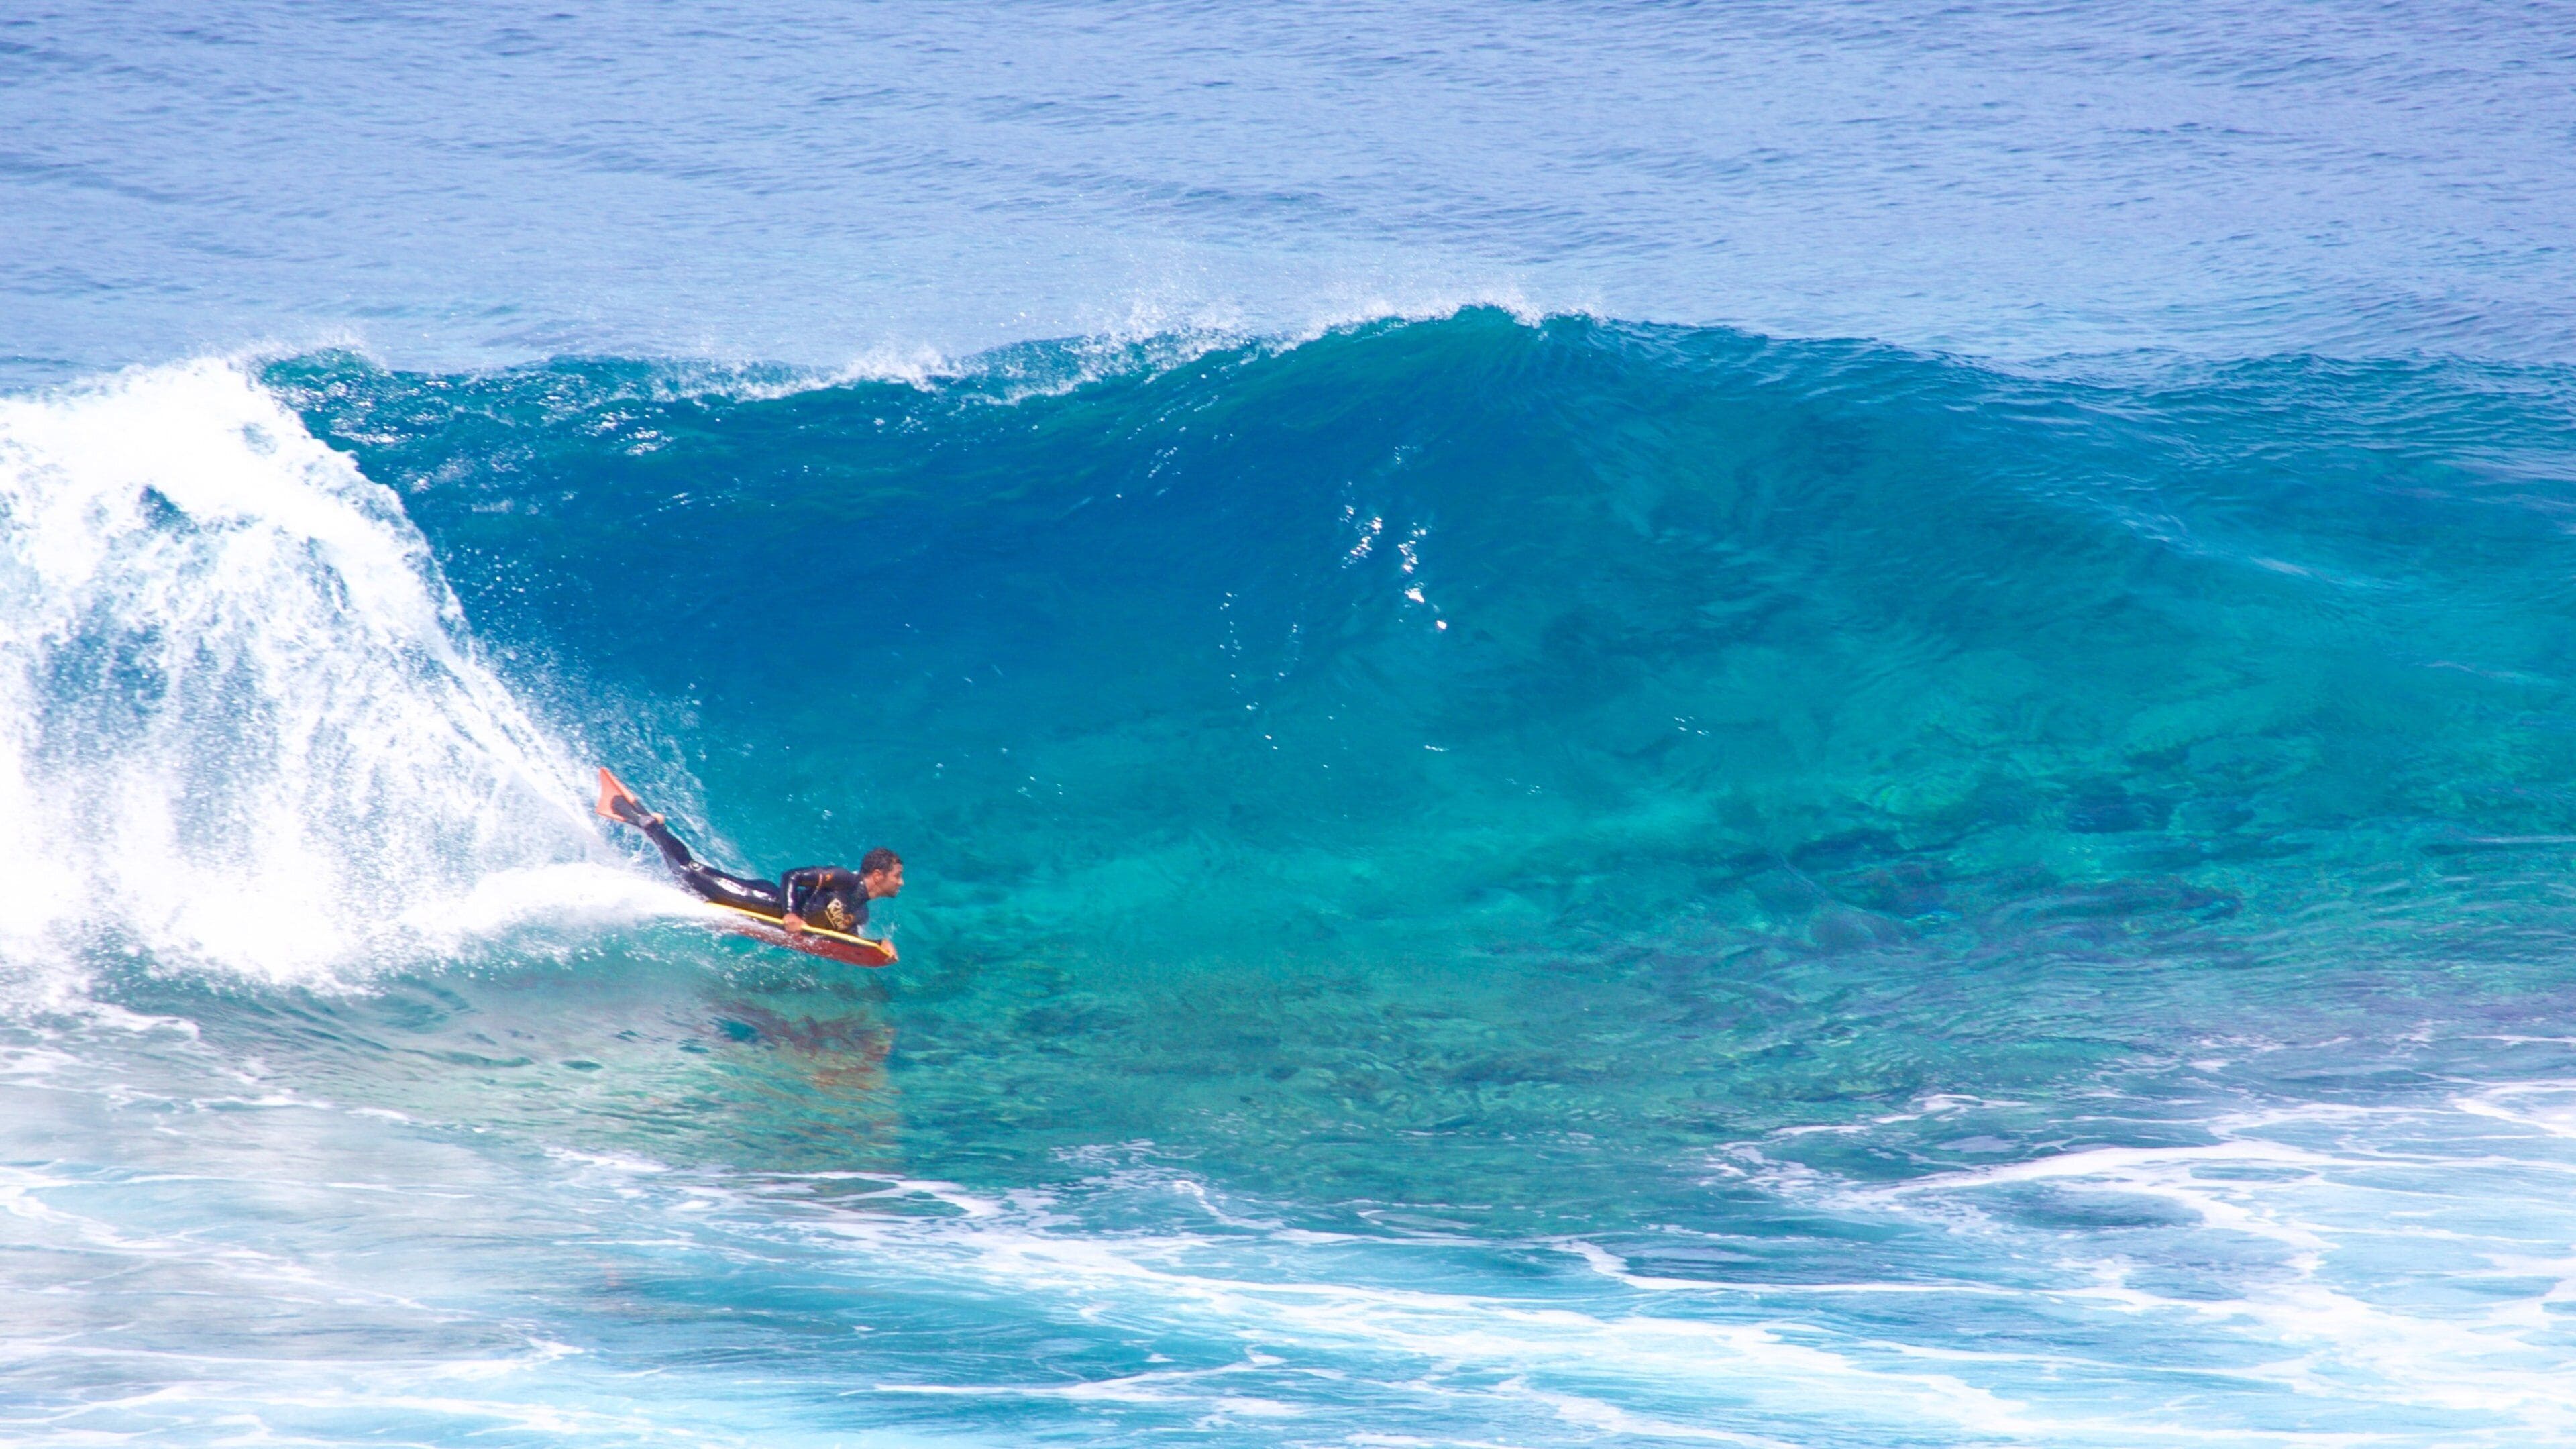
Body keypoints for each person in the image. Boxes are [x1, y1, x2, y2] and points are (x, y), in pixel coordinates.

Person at [595, 768, 903, 945]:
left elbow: (845, 941)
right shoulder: (844, 879)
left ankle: (653, 823)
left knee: (689, 886)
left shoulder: (860, 914)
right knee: (686, 872)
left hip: (762, 910)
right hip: (759, 897)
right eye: (897, 876)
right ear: (878, 875)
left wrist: (877, 946)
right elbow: (792, 876)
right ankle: (643, 820)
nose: (901, 883)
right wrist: (790, 914)